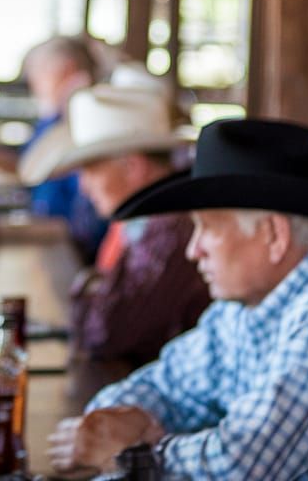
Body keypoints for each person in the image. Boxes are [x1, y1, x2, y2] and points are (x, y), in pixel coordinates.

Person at [47, 118, 308, 480]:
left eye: (208, 228)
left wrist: (129, 455)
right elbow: (168, 383)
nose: (193, 250)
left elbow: (239, 466)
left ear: (273, 235)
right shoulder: (249, 305)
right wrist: (108, 423)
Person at [19, 85, 208, 367]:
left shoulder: (168, 229)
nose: (84, 186)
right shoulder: (147, 221)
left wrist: (89, 284)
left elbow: (102, 333)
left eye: (91, 170)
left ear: (133, 167)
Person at [14, 36, 109, 261]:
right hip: (57, 240)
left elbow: (82, 227)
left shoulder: (89, 118)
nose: (33, 82)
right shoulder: (56, 118)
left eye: (39, 71)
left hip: (76, 253)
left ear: (68, 70)